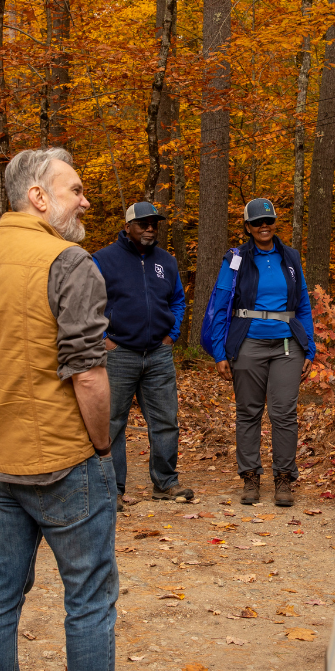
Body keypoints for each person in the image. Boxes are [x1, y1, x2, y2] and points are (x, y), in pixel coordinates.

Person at [0, 148, 173, 671]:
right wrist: (100, 445)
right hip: (67, 460)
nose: (85, 200)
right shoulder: (68, 262)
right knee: (90, 597)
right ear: (39, 197)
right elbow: (88, 374)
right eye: (75, 189)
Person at [201, 198, 315, 507]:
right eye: (257, 222)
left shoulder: (290, 257)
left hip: (287, 346)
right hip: (248, 343)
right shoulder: (236, 258)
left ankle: (284, 479)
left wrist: (310, 349)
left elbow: (303, 305)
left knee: (284, 414)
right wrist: (220, 352)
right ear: (248, 227)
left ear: (275, 223)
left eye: (269, 221)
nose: (264, 227)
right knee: (248, 412)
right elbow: (221, 304)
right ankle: (250, 476)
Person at [93, 201, 191, 508]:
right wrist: (106, 340)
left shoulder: (167, 261)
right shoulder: (103, 260)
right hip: (119, 353)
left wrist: (170, 336)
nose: (150, 229)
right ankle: (113, 490)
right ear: (127, 227)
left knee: (165, 419)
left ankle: (165, 482)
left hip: (158, 355)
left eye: (154, 224)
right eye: (143, 224)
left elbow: (178, 301)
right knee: (113, 423)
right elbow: (89, 303)